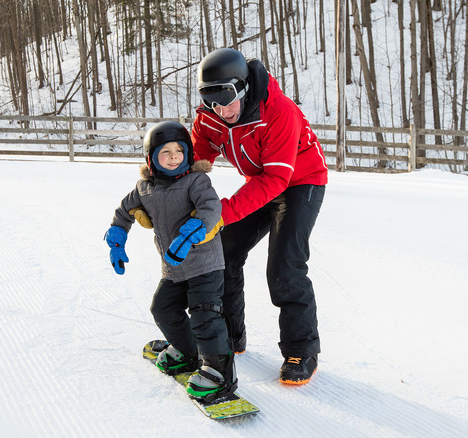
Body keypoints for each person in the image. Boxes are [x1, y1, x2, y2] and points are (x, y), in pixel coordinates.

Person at [190, 48, 328, 385]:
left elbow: (276, 179)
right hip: (261, 182)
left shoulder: (279, 112)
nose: (223, 111)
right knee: (222, 253)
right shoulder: (212, 116)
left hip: (300, 181)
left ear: (244, 88)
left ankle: (302, 350)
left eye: (228, 100)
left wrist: (221, 212)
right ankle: (230, 337)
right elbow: (195, 154)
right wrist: (162, 179)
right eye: (214, 103)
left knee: (285, 265)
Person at [104, 121, 237, 402]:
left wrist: (191, 232)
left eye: (180, 150)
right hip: (174, 267)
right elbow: (123, 212)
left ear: (188, 155)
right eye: (166, 152)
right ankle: (187, 352)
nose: (174, 156)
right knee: (162, 309)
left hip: (205, 264)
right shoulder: (144, 189)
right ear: (151, 159)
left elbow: (211, 208)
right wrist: (117, 240)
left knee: (204, 315)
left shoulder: (196, 181)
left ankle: (219, 373)